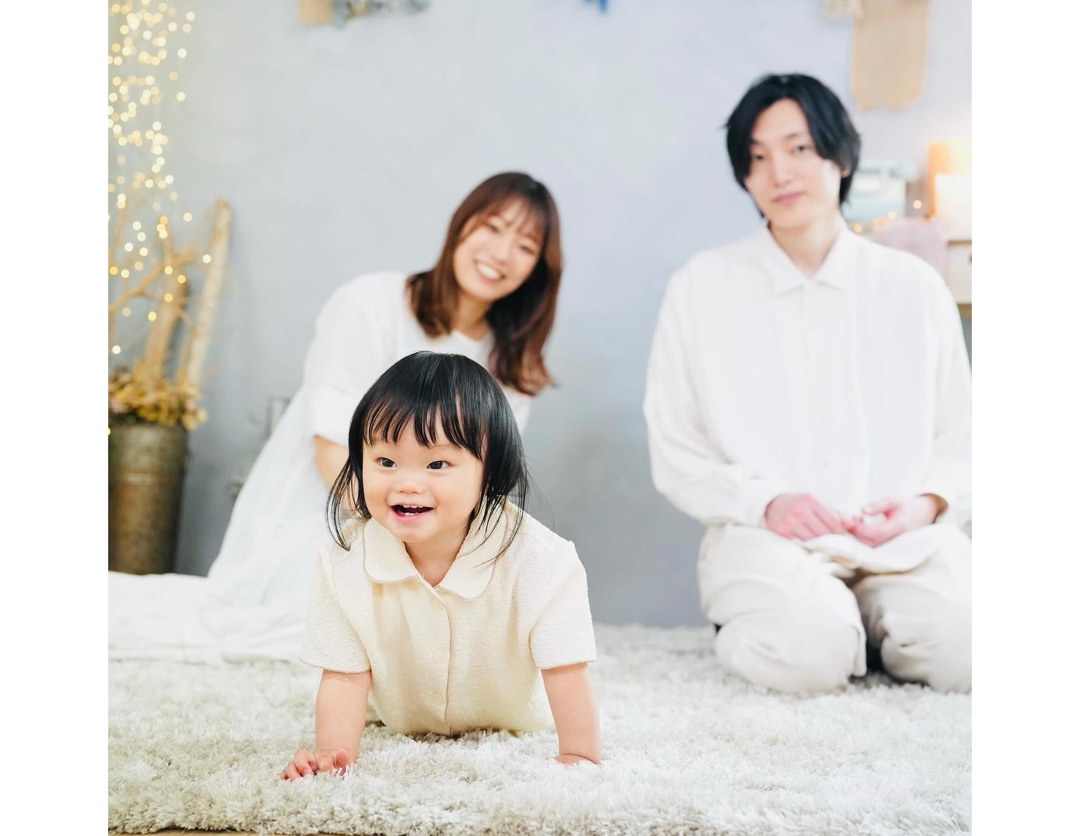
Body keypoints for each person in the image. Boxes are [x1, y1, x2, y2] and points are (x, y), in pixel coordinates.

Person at [109, 172, 563, 662]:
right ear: (462, 225)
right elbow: (330, 449)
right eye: (492, 227)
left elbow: (479, 485)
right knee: (336, 632)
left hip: (432, 537)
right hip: (327, 516)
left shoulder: (512, 367)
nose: (501, 253)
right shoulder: (371, 303)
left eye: (525, 245)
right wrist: (398, 548)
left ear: (538, 268)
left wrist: (446, 560)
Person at [643, 73, 971, 695]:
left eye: (798, 148)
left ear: (840, 157)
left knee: (974, 650)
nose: (779, 173)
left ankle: (870, 626)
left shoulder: (912, 286)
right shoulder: (702, 286)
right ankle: (824, 629)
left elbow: (964, 433)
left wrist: (924, 504)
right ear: (744, 176)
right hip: (766, 537)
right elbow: (677, 445)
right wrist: (766, 502)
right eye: (757, 158)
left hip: (903, 539)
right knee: (808, 656)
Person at [279, 351, 601, 776]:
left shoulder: (541, 561)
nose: (407, 483)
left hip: (511, 720)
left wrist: (578, 755)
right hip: (397, 719)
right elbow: (343, 676)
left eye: (437, 464)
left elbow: (565, 666)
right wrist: (332, 756)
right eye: (385, 462)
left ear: (490, 474)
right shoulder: (342, 560)